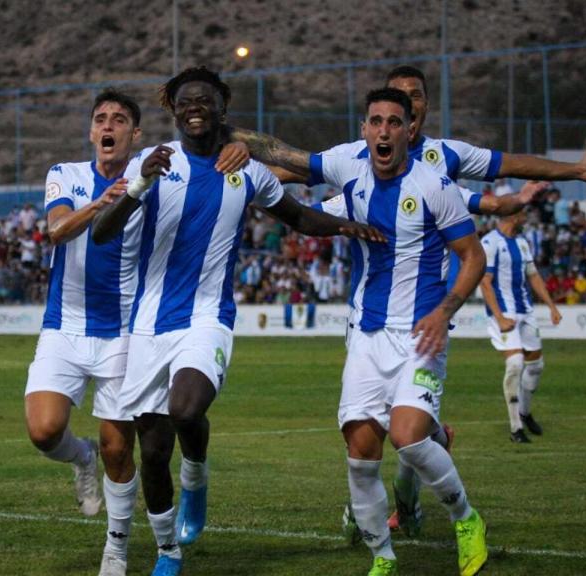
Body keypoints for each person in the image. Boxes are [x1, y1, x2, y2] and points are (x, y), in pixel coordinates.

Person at [230, 63, 586, 535]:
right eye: (395, 98)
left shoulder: (445, 159)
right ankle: (394, 493)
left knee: (406, 432)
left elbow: (507, 164)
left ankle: (405, 508)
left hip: (423, 316)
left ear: (418, 111)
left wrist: (572, 171)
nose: (406, 105)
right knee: (371, 429)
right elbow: (296, 170)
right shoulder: (358, 159)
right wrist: (239, 171)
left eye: (416, 95)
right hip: (368, 316)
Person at [92, 66, 381, 576]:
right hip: (149, 325)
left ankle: (196, 475)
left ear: (222, 109)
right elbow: (101, 232)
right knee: (152, 452)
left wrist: (346, 226)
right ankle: (167, 551)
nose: (194, 108)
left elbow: (299, 217)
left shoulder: (245, 170)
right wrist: (139, 183)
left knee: (186, 411)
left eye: (204, 100)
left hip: (209, 317)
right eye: (185, 101)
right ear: (173, 111)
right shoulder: (153, 162)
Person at [22, 89, 252, 576]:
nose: (108, 126)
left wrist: (239, 147)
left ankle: (116, 551)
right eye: (101, 119)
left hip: (126, 333)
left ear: (136, 135)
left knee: (119, 449)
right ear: (91, 131)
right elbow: (56, 231)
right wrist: (104, 203)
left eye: (119, 120)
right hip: (64, 325)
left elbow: (210, 156)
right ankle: (79, 456)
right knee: (43, 431)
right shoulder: (65, 174)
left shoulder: (157, 173)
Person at [300, 87, 489, 576]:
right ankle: (383, 557)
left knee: (408, 438)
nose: (384, 131)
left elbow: (473, 256)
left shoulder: (434, 185)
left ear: (410, 130)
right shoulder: (350, 174)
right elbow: (292, 168)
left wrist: (444, 311)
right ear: (364, 130)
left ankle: (466, 519)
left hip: (420, 334)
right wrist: (238, 157)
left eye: (394, 122)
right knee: (361, 454)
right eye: (375, 121)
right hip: (367, 336)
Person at [478, 207, 563, 443]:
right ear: (513, 216)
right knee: (515, 363)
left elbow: (533, 275)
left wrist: (552, 306)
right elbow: (485, 282)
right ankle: (516, 428)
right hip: (504, 312)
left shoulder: (523, 242)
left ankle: (525, 412)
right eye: (524, 215)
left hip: (525, 311)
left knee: (535, 366)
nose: (526, 219)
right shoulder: (490, 242)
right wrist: (499, 317)